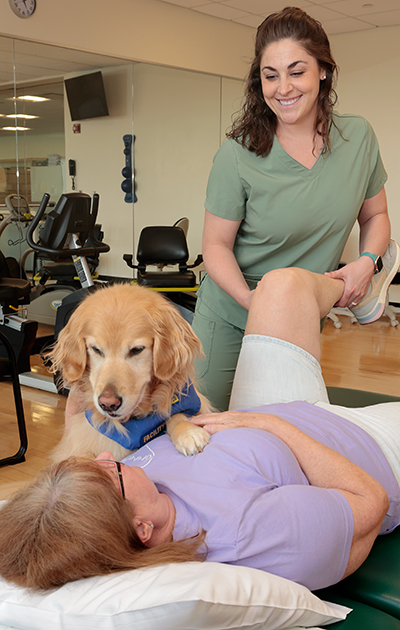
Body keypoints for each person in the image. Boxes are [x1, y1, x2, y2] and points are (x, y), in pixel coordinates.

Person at [0, 247, 400, 593]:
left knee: (282, 285)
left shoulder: (124, 476)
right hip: (363, 441)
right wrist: (272, 427)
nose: (106, 461)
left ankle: (360, 283)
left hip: (270, 408)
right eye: (111, 476)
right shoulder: (239, 531)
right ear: (142, 529)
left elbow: (85, 424)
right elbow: (371, 505)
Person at [192, 6, 391, 411]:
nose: (283, 87)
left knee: (283, 430)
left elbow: (375, 216)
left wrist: (368, 260)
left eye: (296, 71)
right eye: (271, 75)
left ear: (323, 70)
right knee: (203, 426)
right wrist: (260, 306)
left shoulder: (358, 138)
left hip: (301, 316)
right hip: (231, 313)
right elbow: (214, 246)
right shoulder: (237, 155)